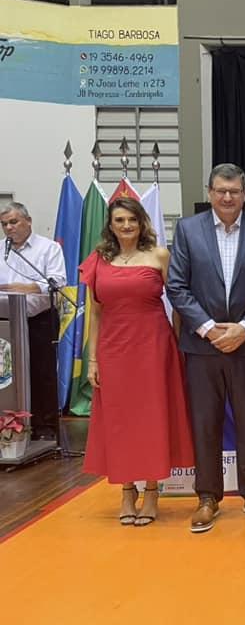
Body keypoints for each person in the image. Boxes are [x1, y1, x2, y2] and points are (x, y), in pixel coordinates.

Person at [167, 163, 245, 534]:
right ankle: (207, 497)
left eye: (234, 191)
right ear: (210, 192)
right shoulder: (188, 230)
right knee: (205, 422)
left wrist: (244, 329)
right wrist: (208, 328)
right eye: (221, 191)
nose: (227, 197)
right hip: (202, 346)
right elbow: (177, 286)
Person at [80, 198, 194, 525]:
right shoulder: (98, 260)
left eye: (132, 219)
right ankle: (127, 490)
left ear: (142, 222)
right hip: (113, 350)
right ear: (110, 225)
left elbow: (179, 303)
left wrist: (178, 346)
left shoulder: (159, 255)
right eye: (119, 220)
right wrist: (92, 360)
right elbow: (96, 313)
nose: (126, 225)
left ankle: (153, 491)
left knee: (152, 417)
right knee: (120, 420)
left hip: (154, 348)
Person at [0, 202, 66, 441]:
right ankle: (10, 427)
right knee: (7, 374)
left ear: (28, 221)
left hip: (40, 320)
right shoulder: (1, 249)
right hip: (5, 322)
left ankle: (45, 427)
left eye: (13, 222)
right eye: (4, 224)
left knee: (42, 373)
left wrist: (27, 287)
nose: (9, 228)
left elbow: (58, 281)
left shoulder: (48, 248)